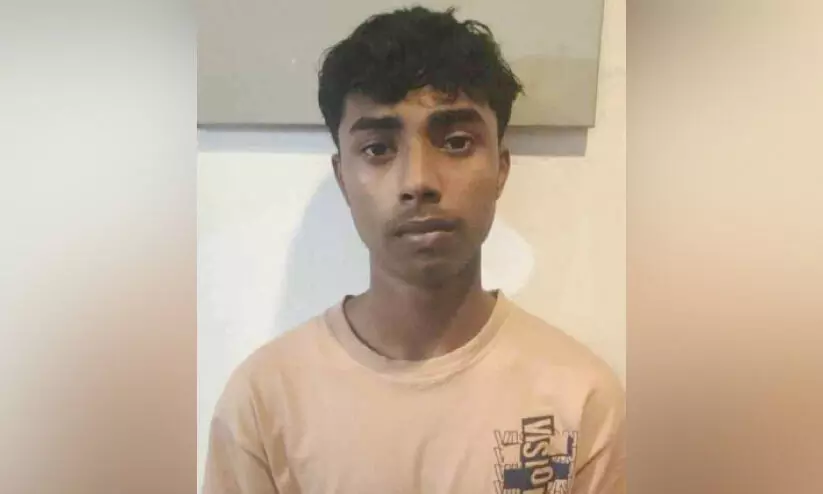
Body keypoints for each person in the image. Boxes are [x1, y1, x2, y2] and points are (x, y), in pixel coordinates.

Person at [203, 6, 625, 494]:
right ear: (343, 179)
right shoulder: (263, 405)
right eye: (378, 149)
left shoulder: (580, 400)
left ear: (501, 169)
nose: (419, 181)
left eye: (457, 142)